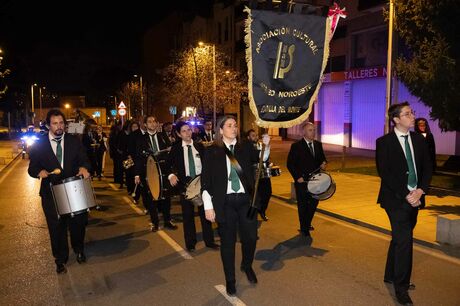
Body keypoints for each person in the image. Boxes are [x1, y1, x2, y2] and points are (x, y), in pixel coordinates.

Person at [202, 115, 270, 296]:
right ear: (221, 129)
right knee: (228, 243)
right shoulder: (211, 152)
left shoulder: (245, 147)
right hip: (224, 203)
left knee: (250, 238)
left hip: (245, 201)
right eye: (230, 125)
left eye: (235, 126)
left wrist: (266, 144)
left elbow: (261, 158)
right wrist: (208, 206)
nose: (234, 128)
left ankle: (246, 265)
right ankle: (230, 280)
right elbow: (205, 182)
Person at [376, 102, 432, 306]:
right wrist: (407, 194)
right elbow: (385, 173)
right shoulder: (384, 142)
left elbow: (427, 166)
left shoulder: (418, 139)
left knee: (400, 239)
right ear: (396, 119)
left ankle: (390, 274)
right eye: (407, 114)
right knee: (405, 241)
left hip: (416, 197)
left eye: (412, 113)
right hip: (395, 199)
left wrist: (421, 190)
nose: (412, 116)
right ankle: (401, 288)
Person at [28, 109, 91, 274]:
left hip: (74, 188)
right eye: (55, 123)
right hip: (51, 191)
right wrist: (38, 172)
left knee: (78, 223)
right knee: (56, 227)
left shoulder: (74, 141)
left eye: (61, 123)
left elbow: (84, 159)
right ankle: (60, 258)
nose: (59, 126)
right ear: (49, 125)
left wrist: (84, 167)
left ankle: (79, 249)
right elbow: (32, 167)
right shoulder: (39, 144)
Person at [167, 121, 219, 251]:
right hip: (185, 186)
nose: (187, 133)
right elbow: (166, 165)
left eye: (189, 130)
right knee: (188, 216)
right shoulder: (176, 148)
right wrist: (171, 175)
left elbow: (208, 164)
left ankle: (209, 241)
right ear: (179, 134)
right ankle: (190, 243)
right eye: (184, 131)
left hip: (201, 185)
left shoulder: (199, 146)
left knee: (205, 213)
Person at [134, 115, 178, 231]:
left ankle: (167, 220)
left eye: (154, 121)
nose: (152, 123)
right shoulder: (141, 139)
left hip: (164, 171)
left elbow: (170, 153)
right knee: (151, 198)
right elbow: (138, 158)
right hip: (149, 172)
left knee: (166, 197)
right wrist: (137, 174)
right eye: (149, 122)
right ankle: (155, 222)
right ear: (145, 125)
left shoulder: (163, 136)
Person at [287, 122, 327, 237]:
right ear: (303, 132)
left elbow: (322, 159)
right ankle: (304, 227)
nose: (313, 132)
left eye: (314, 130)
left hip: (316, 180)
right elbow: (290, 164)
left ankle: (307, 222)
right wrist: (297, 176)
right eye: (310, 130)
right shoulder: (296, 146)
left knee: (314, 202)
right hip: (302, 180)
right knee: (303, 204)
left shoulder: (318, 144)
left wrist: (324, 163)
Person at [246, 129, 272, 221]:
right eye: (253, 135)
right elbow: (260, 157)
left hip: (264, 174)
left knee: (268, 193)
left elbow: (266, 158)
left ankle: (262, 210)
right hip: (254, 175)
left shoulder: (261, 145)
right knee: (255, 196)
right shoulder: (248, 147)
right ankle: (253, 214)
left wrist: (270, 164)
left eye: (256, 135)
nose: (256, 137)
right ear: (248, 137)